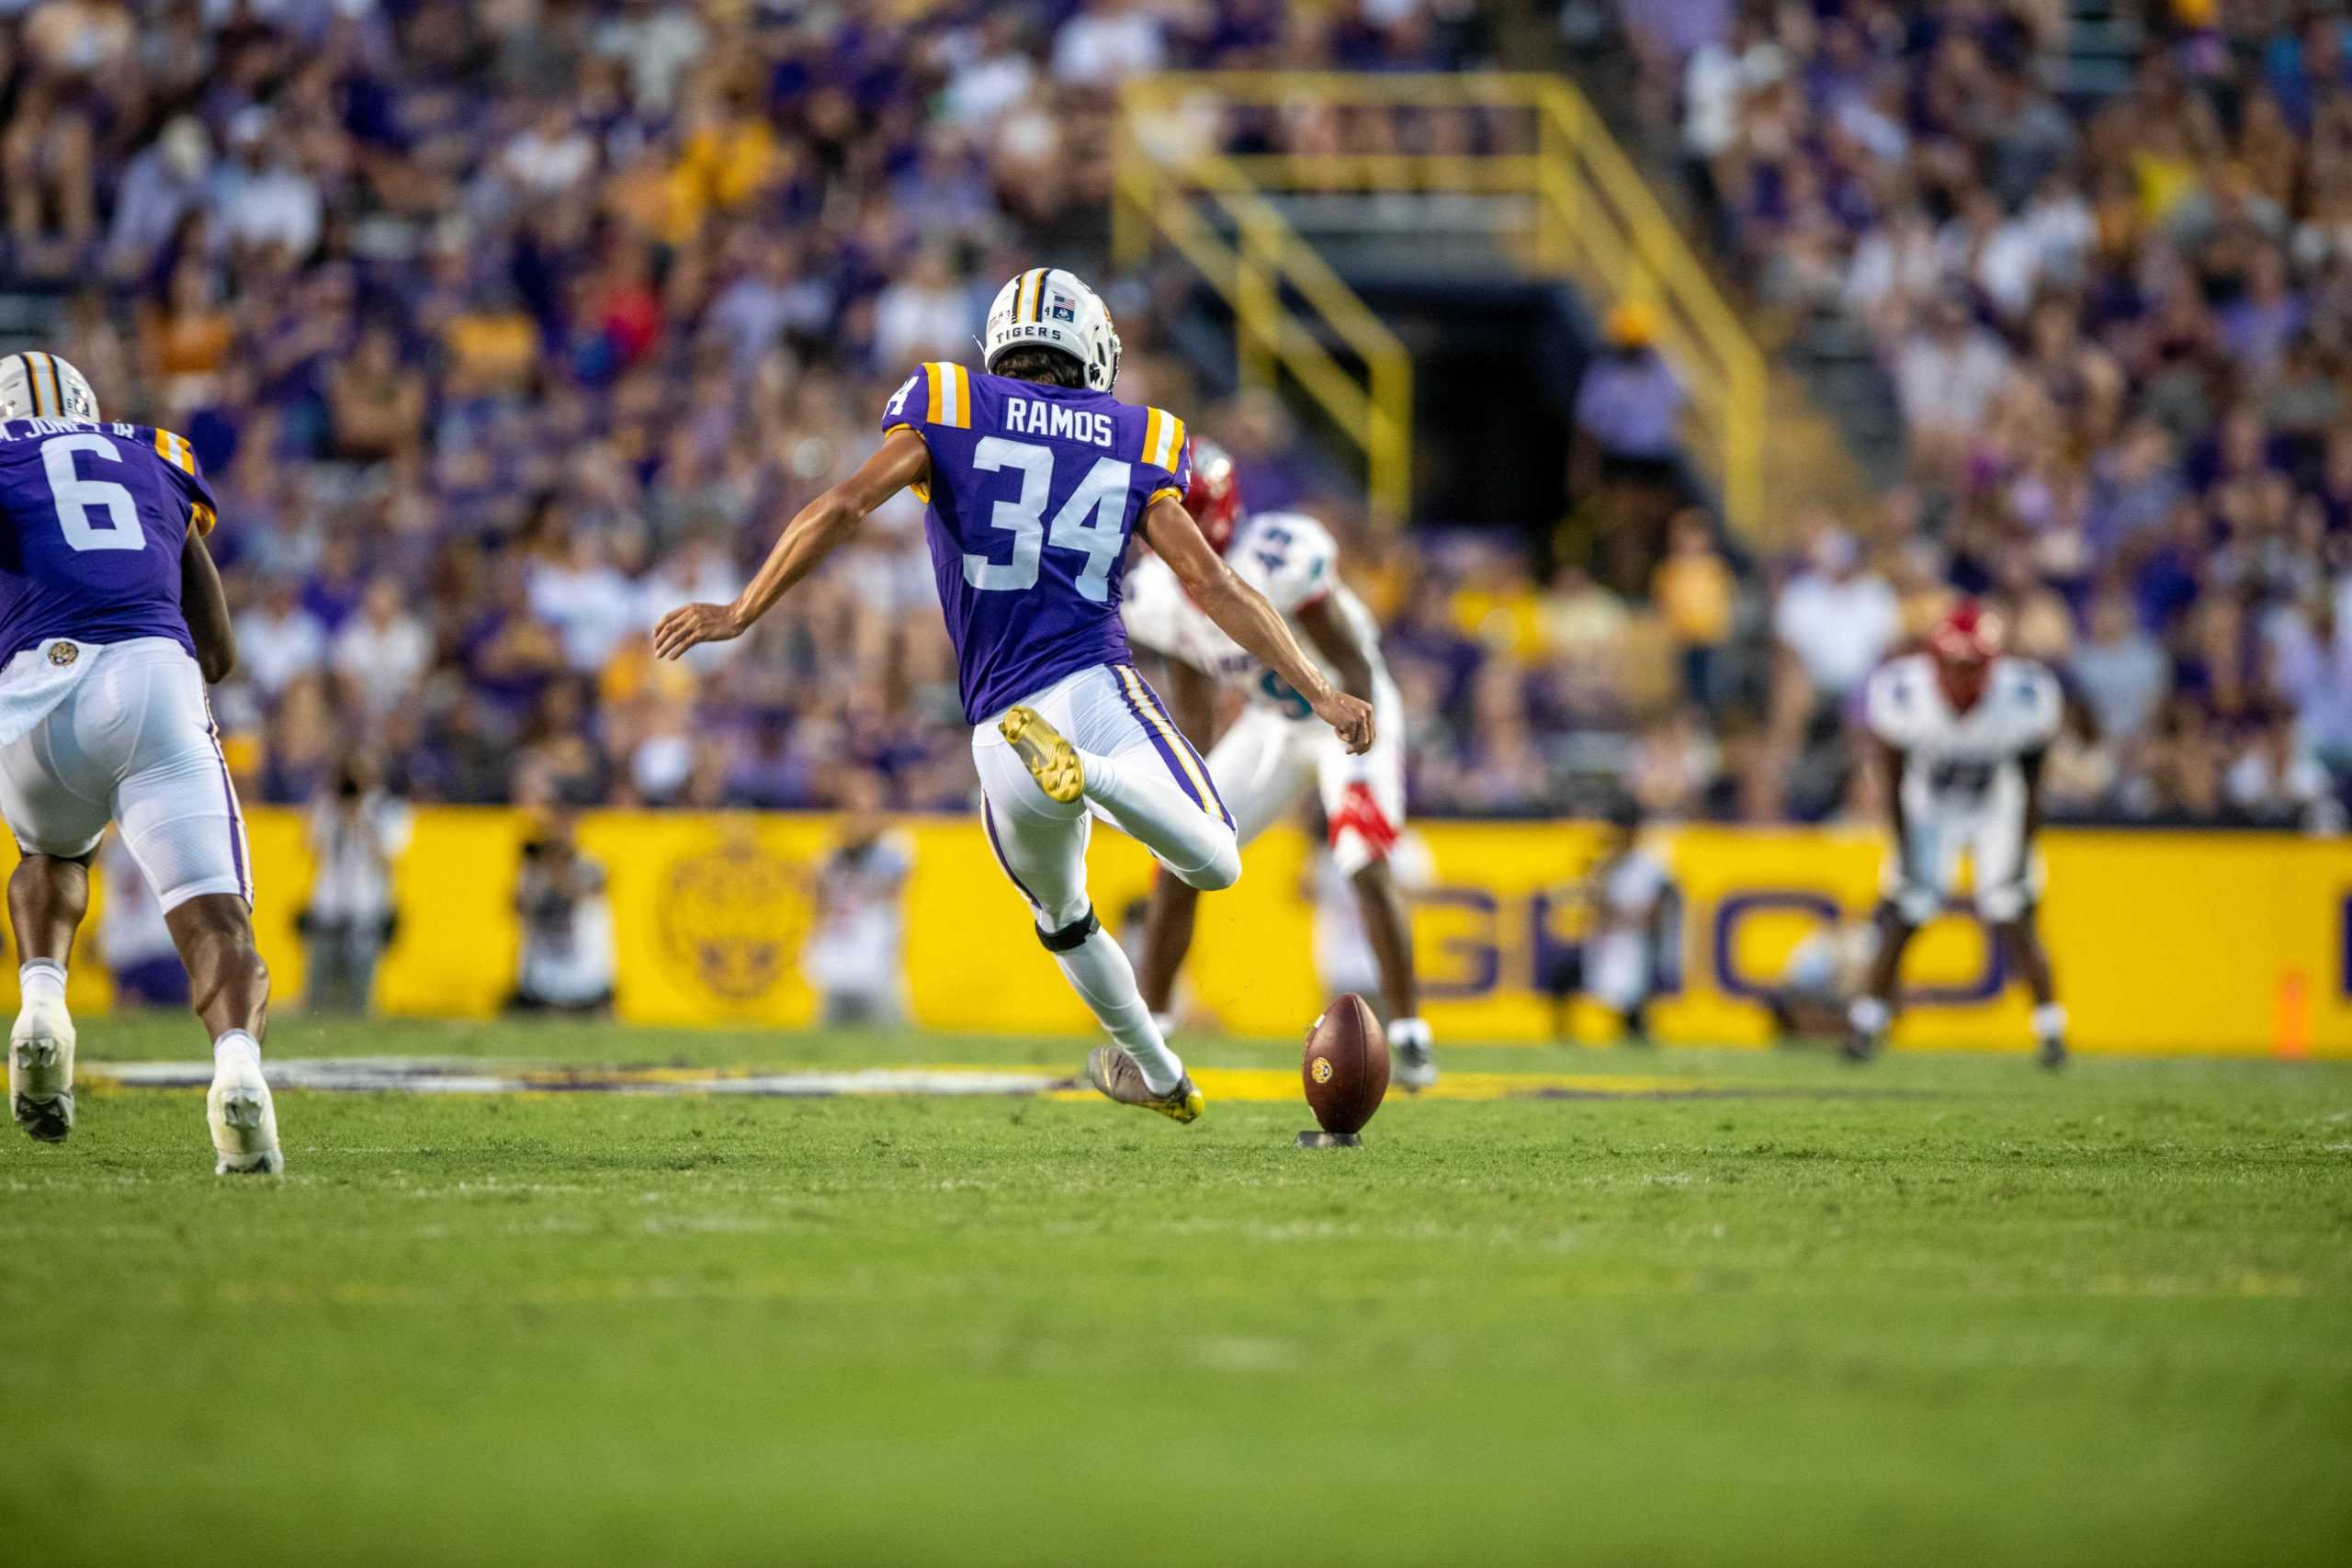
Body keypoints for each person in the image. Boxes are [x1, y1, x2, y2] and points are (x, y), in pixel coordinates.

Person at [655, 266, 1372, 1123]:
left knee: (1065, 918)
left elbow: (844, 507)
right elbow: (1212, 583)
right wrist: (1321, 690)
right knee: (1215, 857)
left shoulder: (950, 399)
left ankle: (1156, 1069)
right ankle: (1093, 786)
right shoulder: (1138, 433)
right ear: (1093, 349)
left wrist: (743, 609)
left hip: (998, 727)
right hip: (1092, 684)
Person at [0, 351, 279, 1174]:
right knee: (218, 920)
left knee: (51, 852)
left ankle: (43, 1002)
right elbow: (219, 650)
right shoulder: (155, 453)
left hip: (33, 680)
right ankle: (237, 1070)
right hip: (153, 673)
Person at [1121, 438, 1436, 1088]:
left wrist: (1354, 756)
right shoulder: (1153, 595)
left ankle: (1409, 1035)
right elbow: (1194, 702)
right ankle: (1152, 1031)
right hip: (1272, 724)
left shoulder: (1279, 556)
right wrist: (1191, 785)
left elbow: (1352, 664)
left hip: (1349, 710)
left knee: (1361, 851)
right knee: (1181, 849)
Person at [1847, 602, 2068, 1067]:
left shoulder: (2025, 695)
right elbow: (1892, 776)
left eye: (1973, 667)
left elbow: (2032, 786)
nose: (1963, 678)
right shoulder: (1905, 692)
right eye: (1954, 666)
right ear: (1934, 662)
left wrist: (2019, 855)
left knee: (2012, 910)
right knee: (1907, 908)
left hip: (1997, 809)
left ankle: (2051, 1030)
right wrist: (1906, 850)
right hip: (1929, 810)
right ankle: (1866, 1024)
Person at [1540, 797, 1678, 1043]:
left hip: (1637, 949)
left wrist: (1610, 911)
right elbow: (1593, 906)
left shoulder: (1653, 868)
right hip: (1606, 944)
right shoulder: (1608, 864)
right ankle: (1564, 1038)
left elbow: (1654, 919)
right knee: (1561, 978)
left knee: (1630, 1005)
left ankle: (1638, 1037)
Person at [802, 771, 915, 1025]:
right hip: (838, 958)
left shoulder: (893, 845)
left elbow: (890, 885)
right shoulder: (832, 850)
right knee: (825, 1044)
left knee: (896, 1039)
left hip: (876, 961)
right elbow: (818, 896)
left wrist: (854, 850)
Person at [298, 759, 410, 1015]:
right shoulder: (329, 805)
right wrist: (336, 812)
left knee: (360, 993)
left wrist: (363, 821)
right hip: (329, 904)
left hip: (366, 906)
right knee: (318, 987)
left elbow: (388, 857)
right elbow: (310, 845)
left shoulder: (387, 809)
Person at [508, 810, 616, 1015]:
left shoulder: (590, 866)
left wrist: (555, 869)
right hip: (543, 985)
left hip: (589, 983)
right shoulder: (533, 871)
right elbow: (518, 908)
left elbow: (586, 895)